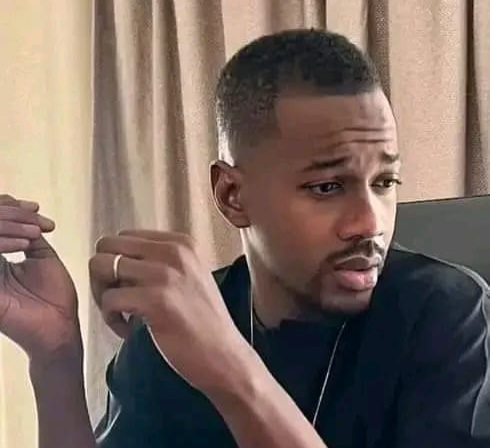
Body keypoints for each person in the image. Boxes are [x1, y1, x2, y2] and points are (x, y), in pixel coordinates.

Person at [0, 29, 489, 448]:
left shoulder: (449, 314)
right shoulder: (173, 327)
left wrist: (228, 367)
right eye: (326, 187)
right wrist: (55, 357)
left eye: (384, 182)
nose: (370, 222)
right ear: (232, 195)